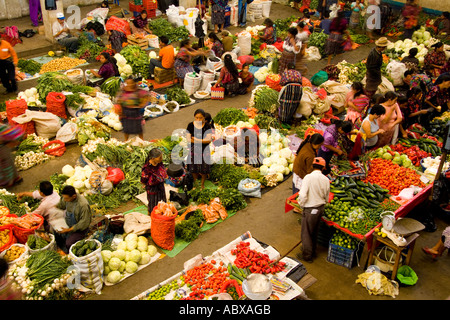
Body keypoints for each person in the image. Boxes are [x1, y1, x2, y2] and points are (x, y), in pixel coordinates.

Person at [296, 157, 330, 262]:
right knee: (314, 231)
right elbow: (327, 196)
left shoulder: (308, 177)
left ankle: (307, 255)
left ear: (312, 166)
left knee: (306, 233)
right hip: (320, 208)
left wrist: (301, 204)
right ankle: (312, 251)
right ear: (323, 168)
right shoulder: (326, 179)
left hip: (310, 209)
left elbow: (302, 195)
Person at [55, 185, 92, 253]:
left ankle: (69, 253)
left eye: (66, 198)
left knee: (69, 243)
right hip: (69, 224)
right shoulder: (66, 198)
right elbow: (61, 205)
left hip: (80, 229)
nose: (65, 200)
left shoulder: (83, 205)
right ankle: (62, 248)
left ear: (74, 196)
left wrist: (69, 230)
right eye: (64, 198)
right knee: (55, 231)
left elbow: (84, 222)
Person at [186, 109, 213, 190]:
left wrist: (197, 140)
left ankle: (202, 184)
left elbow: (208, 140)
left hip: (205, 149)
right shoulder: (190, 125)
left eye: (200, 118)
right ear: (194, 117)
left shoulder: (207, 126)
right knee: (193, 167)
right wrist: (202, 141)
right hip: (194, 149)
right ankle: (196, 182)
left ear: (204, 118)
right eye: (196, 118)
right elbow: (188, 139)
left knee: (204, 168)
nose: (198, 120)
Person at [116, 77, 150, 141]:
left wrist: (142, 104)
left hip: (135, 112)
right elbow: (118, 100)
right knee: (126, 129)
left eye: (131, 83)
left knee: (138, 128)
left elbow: (146, 95)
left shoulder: (138, 91)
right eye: (127, 83)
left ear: (134, 83)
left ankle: (141, 140)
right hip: (125, 112)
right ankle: (126, 140)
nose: (129, 85)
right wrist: (120, 111)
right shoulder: (123, 91)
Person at [141, 148, 168, 213]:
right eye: (159, 157)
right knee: (153, 201)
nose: (161, 158)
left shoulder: (159, 163)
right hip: (152, 187)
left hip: (160, 185)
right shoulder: (147, 167)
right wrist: (144, 183)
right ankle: (152, 213)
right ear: (153, 158)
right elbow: (144, 177)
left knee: (162, 199)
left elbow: (162, 169)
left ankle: (162, 211)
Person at [0, 123, 24, 188]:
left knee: (4, 166)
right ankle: (16, 177)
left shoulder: (2, 128)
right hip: (4, 148)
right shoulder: (2, 127)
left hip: (2, 149)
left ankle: (7, 182)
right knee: (8, 162)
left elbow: (13, 133)